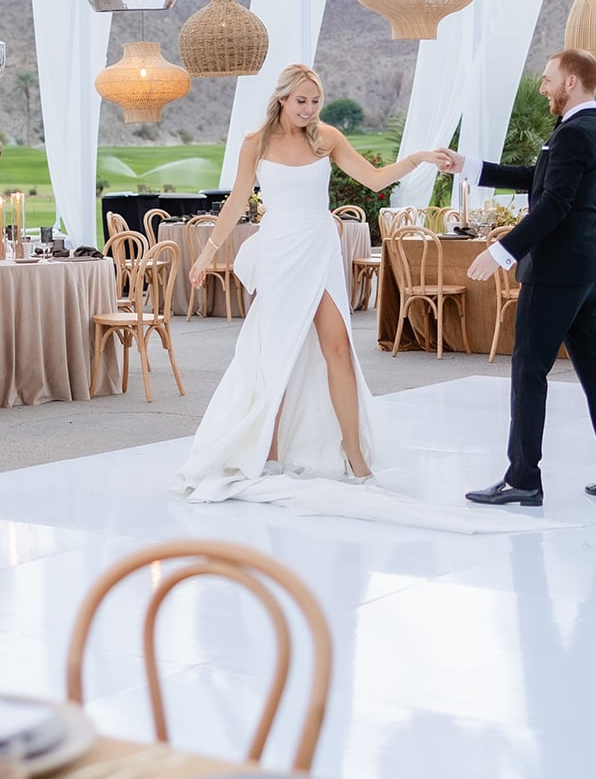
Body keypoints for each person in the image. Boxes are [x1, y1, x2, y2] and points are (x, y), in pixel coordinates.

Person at [174, 63, 451, 504]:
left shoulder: (327, 138)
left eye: (315, 101)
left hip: (319, 248)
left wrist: (416, 159)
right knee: (277, 354)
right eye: (301, 101)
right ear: (282, 99)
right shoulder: (256, 143)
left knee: (338, 348)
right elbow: (237, 202)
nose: (308, 109)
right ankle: (265, 453)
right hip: (281, 251)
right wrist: (207, 254)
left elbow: (374, 179)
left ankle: (355, 456)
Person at [437, 48, 596, 508]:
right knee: (595, 372)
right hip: (587, 270)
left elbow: (553, 205)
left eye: (549, 79)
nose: (543, 86)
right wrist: (469, 166)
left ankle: (523, 479)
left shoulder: (574, 133)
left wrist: (501, 251)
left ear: (571, 81)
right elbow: (541, 179)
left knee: (528, 372)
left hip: (555, 273)